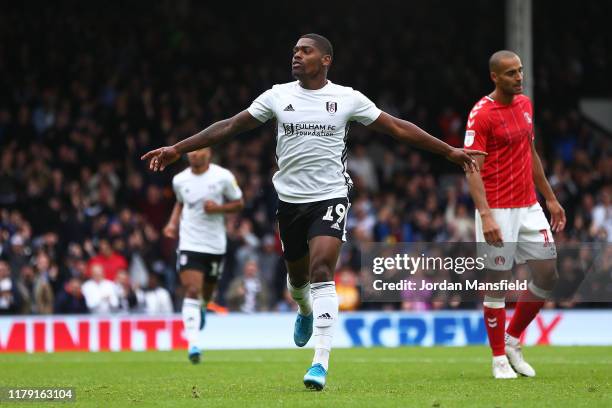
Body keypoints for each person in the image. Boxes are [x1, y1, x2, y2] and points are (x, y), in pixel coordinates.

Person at [143, 33, 485, 390]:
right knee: (298, 282)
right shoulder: (278, 95)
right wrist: (177, 149)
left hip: (331, 196)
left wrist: (449, 151)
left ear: (325, 60)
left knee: (323, 269)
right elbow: (230, 125)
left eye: (305, 51)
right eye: (294, 51)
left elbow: (397, 127)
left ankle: (319, 362)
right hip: (289, 202)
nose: (296, 56)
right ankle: (304, 310)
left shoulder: (346, 98)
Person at [464, 50, 566, 379]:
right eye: (511, 73)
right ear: (495, 77)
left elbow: (530, 151)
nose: (519, 77)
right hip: (496, 208)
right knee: (497, 283)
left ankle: (512, 340)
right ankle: (497, 359)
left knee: (548, 273)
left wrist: (550, 199)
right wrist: (486, 215)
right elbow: (471, 169)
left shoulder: (525, 105)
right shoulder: (481, 114)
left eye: (520, 71)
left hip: (528, 205)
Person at [163, 147, 244, 364]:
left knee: (206, 295)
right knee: (191, 289)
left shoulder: (223, 177)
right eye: (190, 152)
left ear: (209, 153)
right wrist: (172, 223)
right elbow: (180, 202)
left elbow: (239, 203)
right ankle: (193, 344)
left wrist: (218, 208)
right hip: (190, 243)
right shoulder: (179, 180)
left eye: (198, 151)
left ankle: (202, 307)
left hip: (215, 245)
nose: (193, 154)